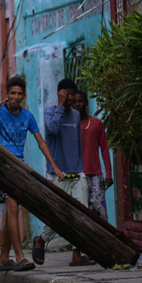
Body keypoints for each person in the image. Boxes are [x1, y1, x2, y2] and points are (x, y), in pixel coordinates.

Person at [0, 75, 62, 272]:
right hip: (1, 165)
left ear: (24, 96)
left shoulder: (27, 116)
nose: (15, 97)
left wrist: (54, 166)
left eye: (19, 94)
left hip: (19, 167)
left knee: (13, 211)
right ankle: (19, 256)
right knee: (12, 208)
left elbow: (41, 142)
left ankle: (3, 258)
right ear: (7, 94)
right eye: (12, 93)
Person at [34, 78, 93, 267]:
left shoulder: (76, 115)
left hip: (77, 172)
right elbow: (52, 129)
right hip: (57, 174)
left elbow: (76, 143)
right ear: (60, 94)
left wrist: (80, 168)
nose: (70, 98)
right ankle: (41, 239)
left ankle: (78, 253)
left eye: (72, 94)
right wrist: (60, 106)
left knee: (81, 214)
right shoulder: (50, 112)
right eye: (66, 94)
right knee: (58, 215)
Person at [72, 89, 112, 219]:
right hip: (76, 176)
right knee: (80, 212)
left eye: (81, 101)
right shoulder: (69, 125)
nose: (78, 105)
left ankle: (102, 238)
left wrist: (109, 174)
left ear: (86, 103)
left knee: (99, 211)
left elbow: (105, 150)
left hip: (95, 175)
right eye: (75, 102)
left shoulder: (96, 123)